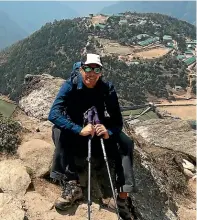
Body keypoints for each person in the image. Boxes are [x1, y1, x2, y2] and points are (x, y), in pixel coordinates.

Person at [48, 53, 135, 220]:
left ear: (101, 72)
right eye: (87, 68)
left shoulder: (107, 89)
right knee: (58, 130)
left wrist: (108, 132)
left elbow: (117, 121)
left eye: (96, 69)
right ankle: (72, 184)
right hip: (77, 131)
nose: (91, 73)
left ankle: (122, 197)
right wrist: (78, 129)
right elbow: (54, 114)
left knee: (126, 143)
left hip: (97, 131)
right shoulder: (70, 85)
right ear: (81, 69)